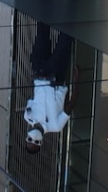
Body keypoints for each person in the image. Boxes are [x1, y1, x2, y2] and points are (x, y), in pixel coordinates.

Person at [24, 21, 77, 154]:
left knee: (42, 30)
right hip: (56, 77)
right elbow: (70, 106)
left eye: (29, 139)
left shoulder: (28, 117)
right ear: (40, 143)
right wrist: (77, 80)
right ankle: (72, 6)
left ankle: (46, 2)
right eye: (35, 142)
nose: (33, 138)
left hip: (39, 72)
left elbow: (33, 97)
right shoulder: (56, 126)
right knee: (65, 38)